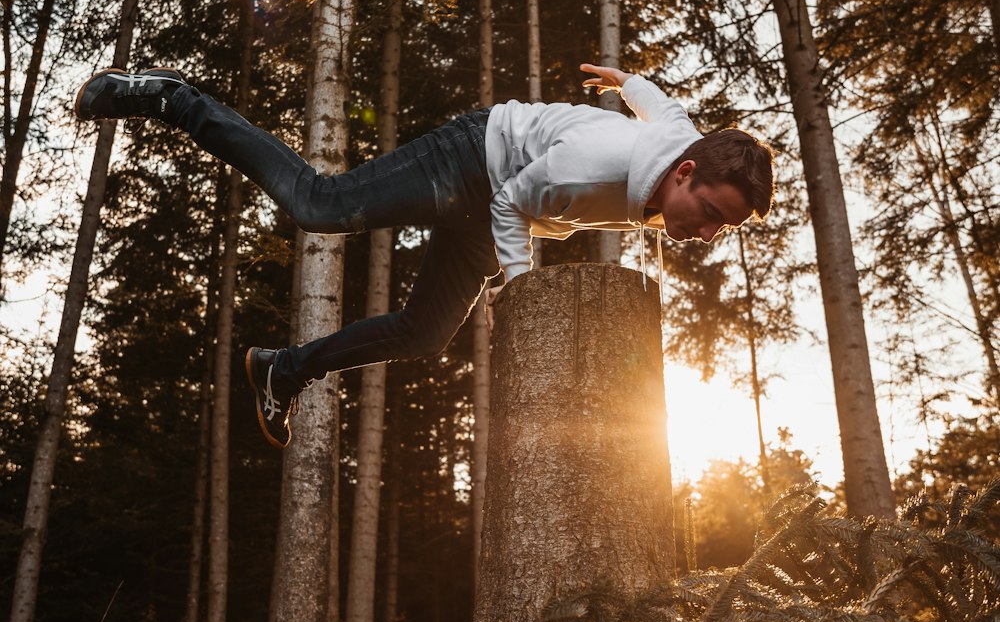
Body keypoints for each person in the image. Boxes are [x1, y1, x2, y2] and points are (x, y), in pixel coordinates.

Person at [74, 62, 773, 448]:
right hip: (473, 160)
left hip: (499, 190)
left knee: (426, 333)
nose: (706, 236)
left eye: (722, 230)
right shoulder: (597, 166)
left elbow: (662, 104)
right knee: (318, 204)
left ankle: (283, 368)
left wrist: (625, 82)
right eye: (710, 215)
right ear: (685, 175)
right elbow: (512, 206)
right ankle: (171, 97)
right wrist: (522, 292)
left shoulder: (682, 141)